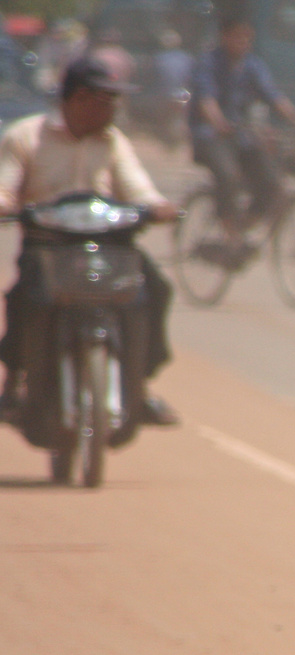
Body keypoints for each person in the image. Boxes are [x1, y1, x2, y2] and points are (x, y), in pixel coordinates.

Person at [0, 56, 181, 425]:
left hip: (110, 248)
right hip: (47, 248)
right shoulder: (25, 136)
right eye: (107, 98)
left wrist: (157, 207)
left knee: (155, 290)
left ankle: (137, 385)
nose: (114, 107)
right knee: (25, 301)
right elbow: (5, 185)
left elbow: (138, 189)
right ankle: (15, 382)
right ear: (79, 98)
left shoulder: (113, 142)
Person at [188, 15, 295, 244]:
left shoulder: (252, 65)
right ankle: (229, 229)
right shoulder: (208, 63)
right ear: (224, 37)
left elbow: (272, 95)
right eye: (238, 37)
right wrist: (218, 122)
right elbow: (206, 99)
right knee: (229, 176)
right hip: (211, 137)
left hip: (241, 137)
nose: (243, 42)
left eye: (247, 37)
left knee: (272, 182)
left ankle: (245, 224)